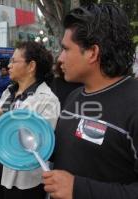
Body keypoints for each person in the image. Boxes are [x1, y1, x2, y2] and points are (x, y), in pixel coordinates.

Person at [42, 3, 138, 199]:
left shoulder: (133, 104)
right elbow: (71, 153)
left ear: (92, 53)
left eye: (66, 49)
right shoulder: (75, 96)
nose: (60, 58)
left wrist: (78, 189)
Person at [0, 41, 60, 199]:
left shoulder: (47, 100)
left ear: (31, 66)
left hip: (23, 180)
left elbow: (39, 145)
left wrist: (2, 120)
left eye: (13, 61)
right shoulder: (9, 92)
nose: (8, 65)